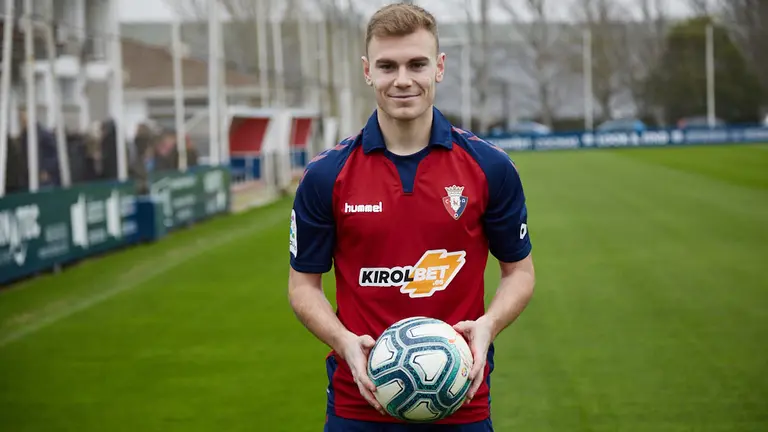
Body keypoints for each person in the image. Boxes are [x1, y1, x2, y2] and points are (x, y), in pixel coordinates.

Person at [288, 3, 536, 431]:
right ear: (368, 71)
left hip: (462, 403)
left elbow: (519, 272)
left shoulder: (489, 167)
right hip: (357, 404)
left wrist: (488, 326)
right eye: (387, 66)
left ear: (439, 67)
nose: (402, 80)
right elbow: (303, 286)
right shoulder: (325, 175)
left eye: (416, 64)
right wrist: (342, 340)